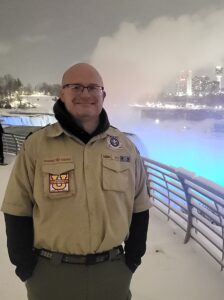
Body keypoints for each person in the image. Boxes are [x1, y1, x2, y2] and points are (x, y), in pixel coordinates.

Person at [1, 63, 151, 300]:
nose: (85, 94)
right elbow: (16, 209)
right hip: (50, 274)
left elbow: (140, 207)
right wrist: (26, 268)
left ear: (103, 94)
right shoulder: (37, 146)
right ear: (62, 93)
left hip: (112, 271)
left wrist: (131, 260)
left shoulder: (125, 147)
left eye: (93, 87)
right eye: (76, 87)